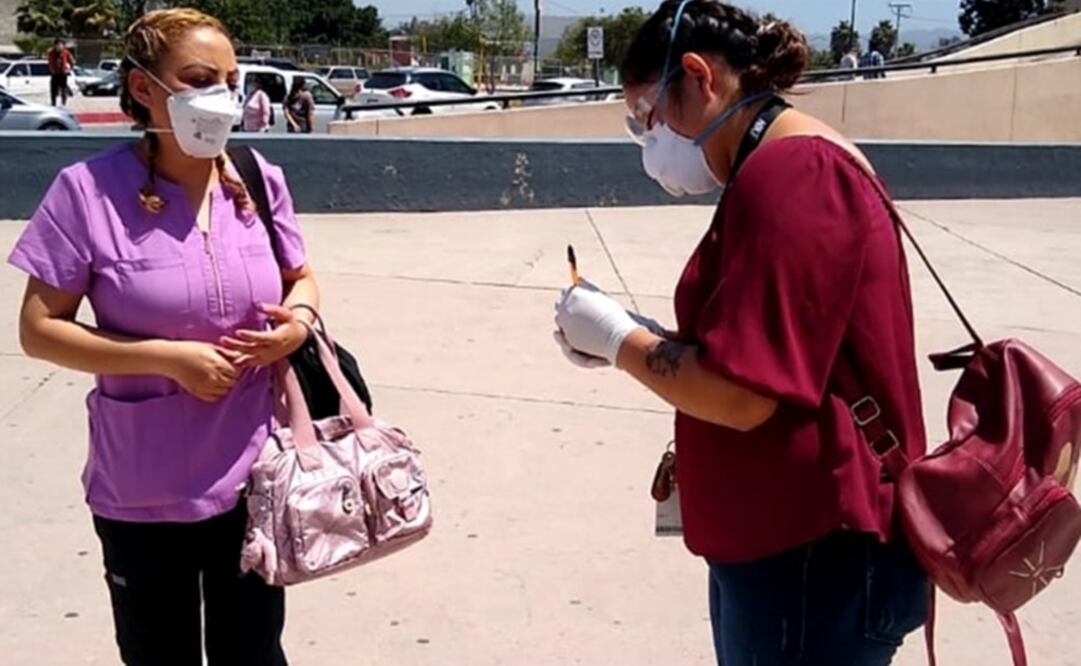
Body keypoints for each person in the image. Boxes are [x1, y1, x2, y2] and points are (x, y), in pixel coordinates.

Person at [554, 1, 929, 664]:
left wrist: (619, 341)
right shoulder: (775, 169)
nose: (650, 138)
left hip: (811, 557)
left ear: (698, 77)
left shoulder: (793, 176)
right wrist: (647, 337)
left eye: (647, 115)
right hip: (787, 550)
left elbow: (740, 394)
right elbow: (768, 344)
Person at [9, 8, 318, 665]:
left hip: (254, 477)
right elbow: (39, 331)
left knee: (254, 653)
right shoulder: (87, 192)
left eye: (230, 79)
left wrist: (300, 323)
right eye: (201, 78)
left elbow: (302, 278)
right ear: (144, 87)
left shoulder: (257, 180)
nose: (222, 97)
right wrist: (166, 360)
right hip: (143, 487)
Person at [48, 38, 74, 107]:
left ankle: (63, 103)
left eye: (60, 45)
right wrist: (51, 69)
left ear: (63, 45)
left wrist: (69, 69)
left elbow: (72, 62)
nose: (59, 46)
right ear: (55, 45)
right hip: (54, 74)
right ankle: (53, 103)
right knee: (53, 88)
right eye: (57, 45)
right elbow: (50, 62)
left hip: (63, 73)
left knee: (63, 88)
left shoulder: (66, 52)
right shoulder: (51, 53)